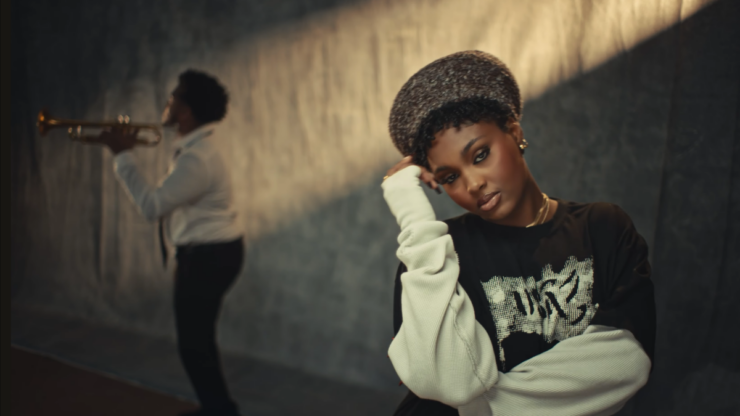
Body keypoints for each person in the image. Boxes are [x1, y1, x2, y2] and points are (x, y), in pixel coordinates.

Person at [381, 51, 656, 416]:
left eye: (480, 155)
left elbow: (626, 363)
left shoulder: (602, 228)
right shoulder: (433, 252)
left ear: (514, 132)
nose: (473, 183)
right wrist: (412, 213)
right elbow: (448, 381)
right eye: (450, 177)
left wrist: (477, 407)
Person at [100, 69, 243, 416]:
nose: (167, 102)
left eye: (174, 96)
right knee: (198, 342)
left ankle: (221, 411)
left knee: (194, 345)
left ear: (186, 111)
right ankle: (217, 409)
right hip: (209, 254)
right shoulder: (196, 148)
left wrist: (122, 155)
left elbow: (152, 207)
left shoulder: (196, 159)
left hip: (208, 257)